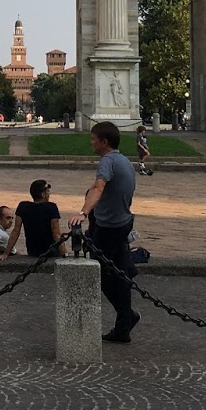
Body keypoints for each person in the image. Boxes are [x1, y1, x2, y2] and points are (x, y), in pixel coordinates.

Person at [73, 121, 139, 343]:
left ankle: (126, 316)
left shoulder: (107, 161)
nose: (91, 143)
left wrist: (83, 212)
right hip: (123, 223)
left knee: (101, 275)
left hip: (109, 228)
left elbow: (98, 187)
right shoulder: (125, 161)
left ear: (104, 142)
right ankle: (124, 325)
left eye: (93, 139)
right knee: (121, 275)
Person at [6, 179, 62, 260]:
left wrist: (6, 253)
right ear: (43, 194)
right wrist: (65, 254)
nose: (49, 193)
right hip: (51, 253)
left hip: (33, 252)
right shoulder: (51, 207)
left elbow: (16, 231)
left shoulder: (23, 207)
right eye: (47, 191)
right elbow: (56, 233)